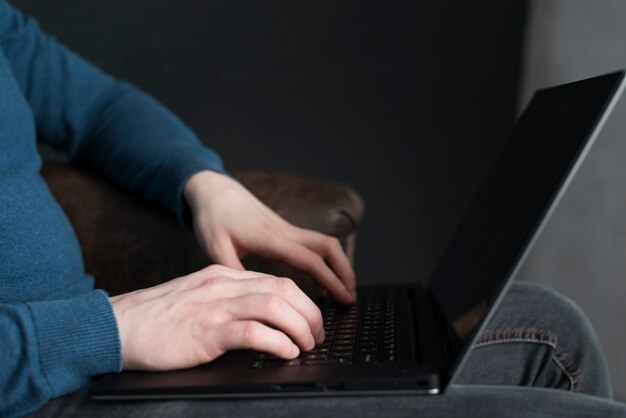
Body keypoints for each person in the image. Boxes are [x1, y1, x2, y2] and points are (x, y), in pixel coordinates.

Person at [0, 1, 624, 417]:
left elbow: (94, 105)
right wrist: (108, 330)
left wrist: (203, 183)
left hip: (97, 372)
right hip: (51, 392)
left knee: (544, 329)